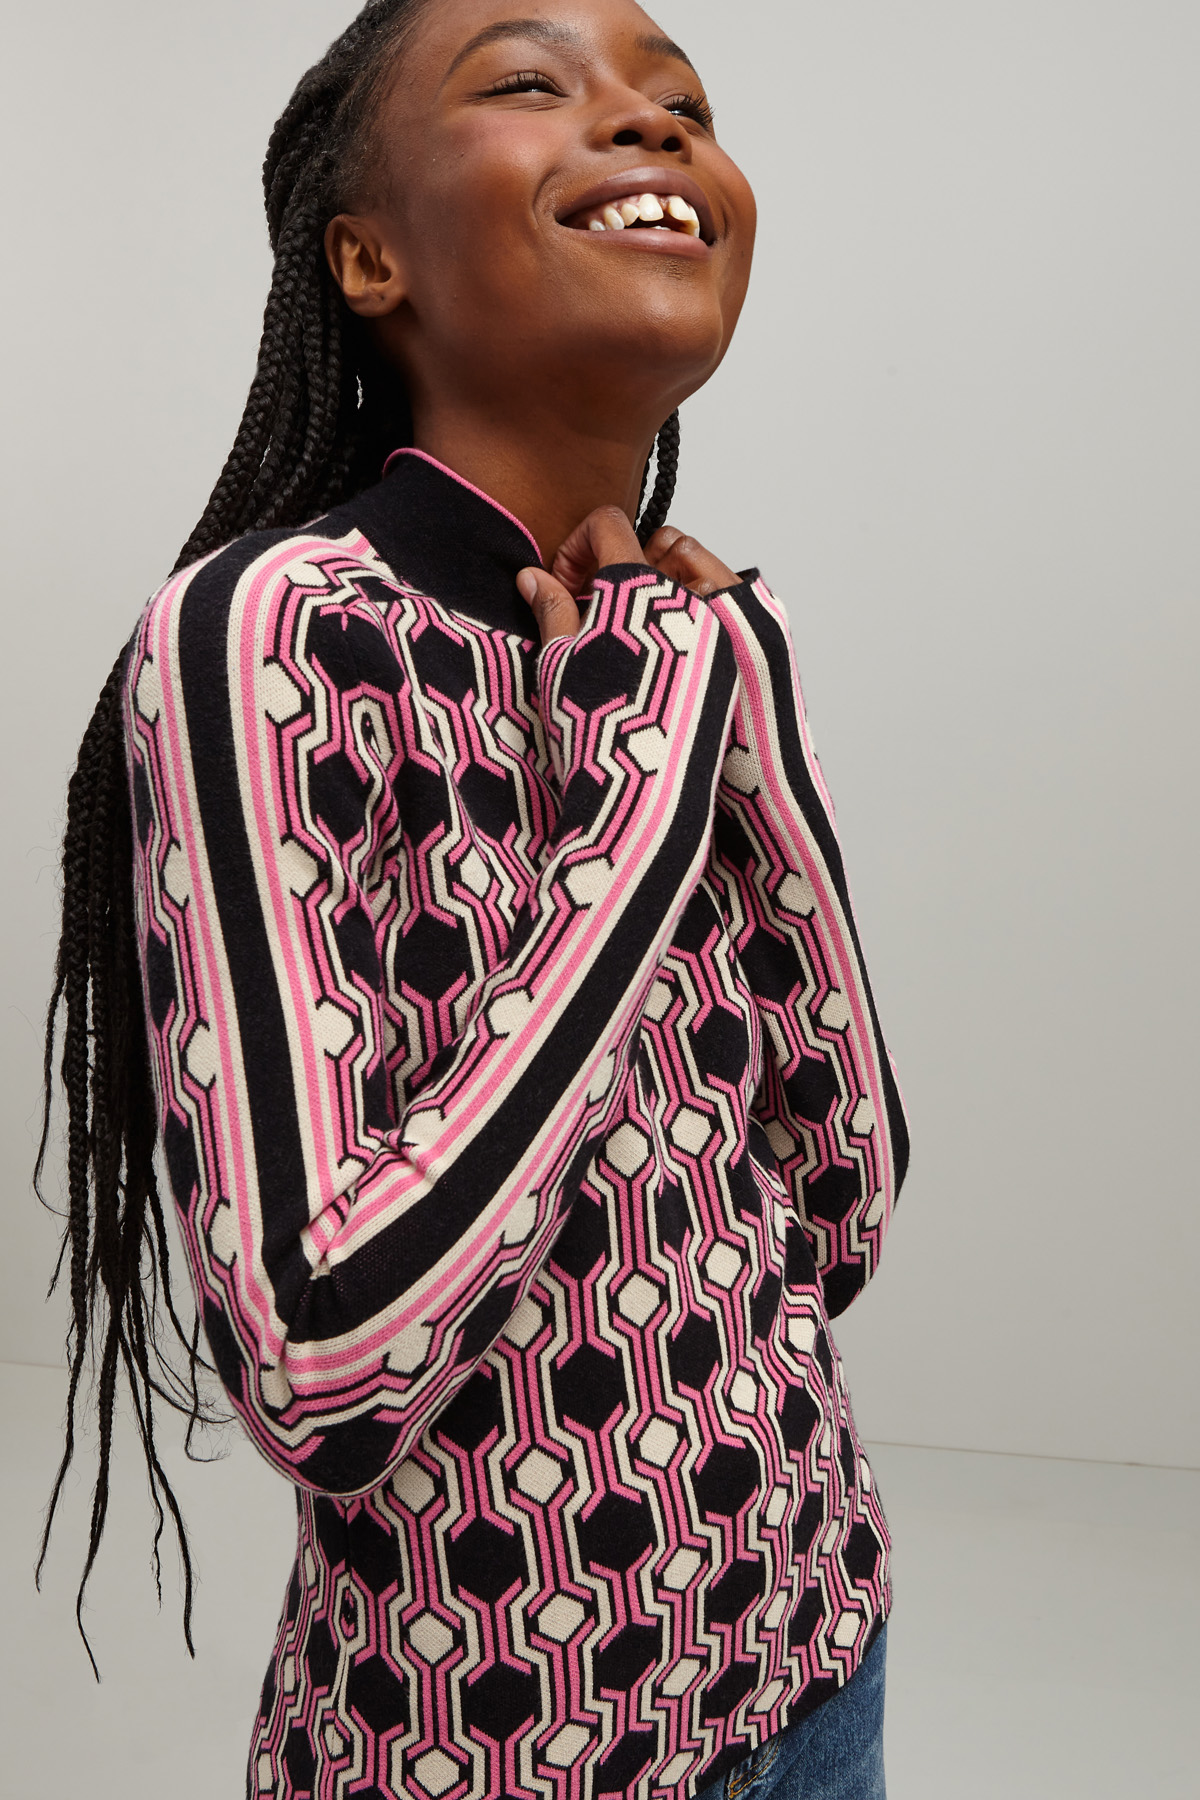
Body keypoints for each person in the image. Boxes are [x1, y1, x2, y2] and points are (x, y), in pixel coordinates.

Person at [39, 1, 909, 1795]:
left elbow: (839, 1215)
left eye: (682, 101)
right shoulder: (272, 635)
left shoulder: (685, 645)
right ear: (368, 257)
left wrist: (753, 744)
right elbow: (324, 1366)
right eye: (530, 81)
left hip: (821, 1650)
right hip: (493, 1751)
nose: (651, 126)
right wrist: (648, 786)